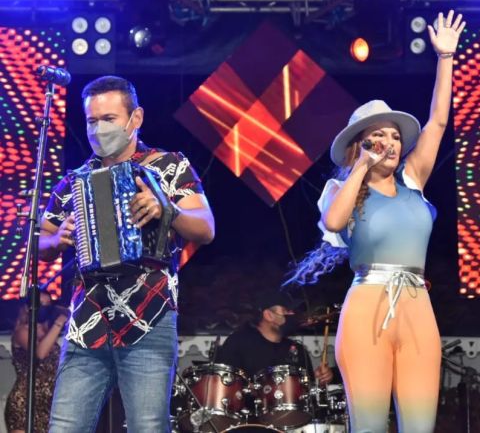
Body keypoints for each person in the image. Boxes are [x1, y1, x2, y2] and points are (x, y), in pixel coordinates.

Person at [286, 10, 465, 433]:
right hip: (368, 308)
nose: (390, 142)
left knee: (419, 427)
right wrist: (362, 167)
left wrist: (445, 58)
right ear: (359, 144)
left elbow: (438, 122)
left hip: (417, 307)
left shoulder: (412, 180)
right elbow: (335, 220)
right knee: (367, 426)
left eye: (395, 136)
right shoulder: (342, 188)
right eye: (378, 135)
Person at [39, 76, 215, 432]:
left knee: (147, 426)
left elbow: (206, 228)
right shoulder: (73, 181)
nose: (98, 129)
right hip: (87, 319)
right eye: (92, 121)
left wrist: (168, 209)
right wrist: (58, 238)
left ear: (136, 118)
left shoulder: (167, 166)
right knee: (64, 427)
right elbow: (40, 243)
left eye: (109, 119)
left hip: (148, 316)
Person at [216, 290, 334, 385]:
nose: (292, 314)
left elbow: (307, 393)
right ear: (268, 315)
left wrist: (320, 380)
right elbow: (224, 383)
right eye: (286, 310)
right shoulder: (238, 343)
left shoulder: (298, 349)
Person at [4, 290, 69, 433]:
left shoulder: (48, 332)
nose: (44, 308)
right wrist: (59, 323)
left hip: (47, 405)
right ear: (29, 307)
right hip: (25, 402)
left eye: (48, 304)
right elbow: (40, 353)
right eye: (40, 304)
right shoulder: (22, 331)